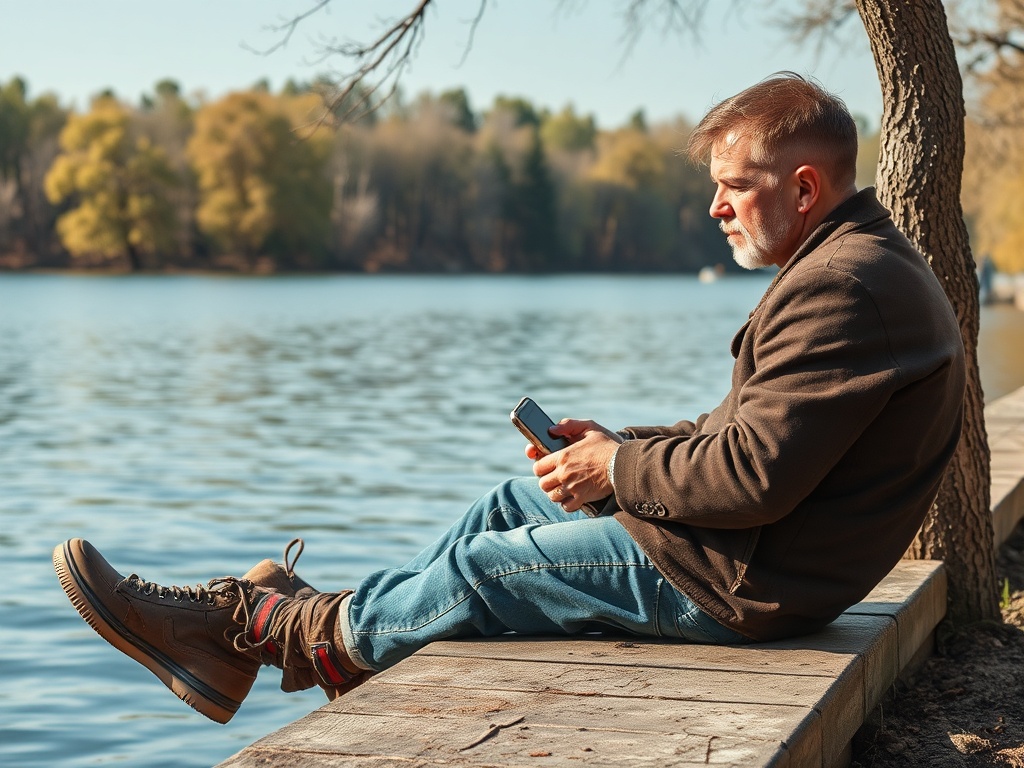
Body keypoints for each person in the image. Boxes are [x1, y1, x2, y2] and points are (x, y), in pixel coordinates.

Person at [53, 72, 966, 725]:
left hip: (744, 584)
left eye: (735, 188)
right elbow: (750, 439)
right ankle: (333, 639)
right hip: (751, 553)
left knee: (487, 569)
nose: (718, 210)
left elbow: (753, 478)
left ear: (805, 188)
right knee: (509, 504)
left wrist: (617, 467)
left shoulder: (847, 288)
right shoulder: (849, 268)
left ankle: (260, 630)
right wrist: (617, 446)